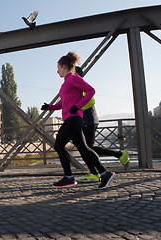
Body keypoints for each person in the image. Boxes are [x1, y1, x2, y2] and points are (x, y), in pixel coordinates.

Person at [41, 52, 115, 189]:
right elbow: (64, 103)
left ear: (64, 66)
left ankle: (68, 177)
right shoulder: (65, 83)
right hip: (72, 118)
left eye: (58, 68)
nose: (57, 71)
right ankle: (105, 174)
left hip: (74, 119)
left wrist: (78, 106)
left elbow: (91, 91)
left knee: (59, 145)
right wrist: (49, 107)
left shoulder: (74, 78)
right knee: (84, 148)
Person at [74, 66, 130, 183]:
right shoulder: (76, 86)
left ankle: (119, 155)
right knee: (84, 148)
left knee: (87, 148)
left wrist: (76, 108)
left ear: (76, 73)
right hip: (85, 121)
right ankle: (94, 172)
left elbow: (91, 101)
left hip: (89, 120)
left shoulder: (81, 85)